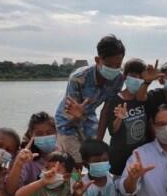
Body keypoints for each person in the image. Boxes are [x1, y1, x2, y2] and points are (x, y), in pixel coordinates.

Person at [54, 35, 126, 167]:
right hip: (67, 120)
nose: (114, 69)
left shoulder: (118, 79)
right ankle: (75, 184)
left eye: (118, 65)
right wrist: (77, 117)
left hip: (88, 117)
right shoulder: (78, 78)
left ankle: (93, 185)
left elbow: (106, 110)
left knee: (96, 157)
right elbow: (72, 113)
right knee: (76, 161)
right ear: (98, 60)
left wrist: (98, 140)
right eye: (109, 65)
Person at [106, 58, 157, 176]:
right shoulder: (116, 100)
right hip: (120, 157)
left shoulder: (145, 99)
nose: (137, 80)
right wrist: (120, 118)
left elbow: (150, 123)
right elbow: (112, 131)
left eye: (141, 77)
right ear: (124, 77)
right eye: (133, 76)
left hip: (141, 155)